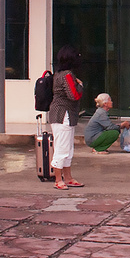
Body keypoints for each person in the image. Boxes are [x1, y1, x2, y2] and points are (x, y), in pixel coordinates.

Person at [48, 46, 86, 189]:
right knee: (62, 148)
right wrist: (81, 86)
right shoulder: (67, 75)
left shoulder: (59, 74)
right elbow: (73, 95)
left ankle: (68, 177)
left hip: (63, 115)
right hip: (63, 115)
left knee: (67, 148)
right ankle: (59, 179)